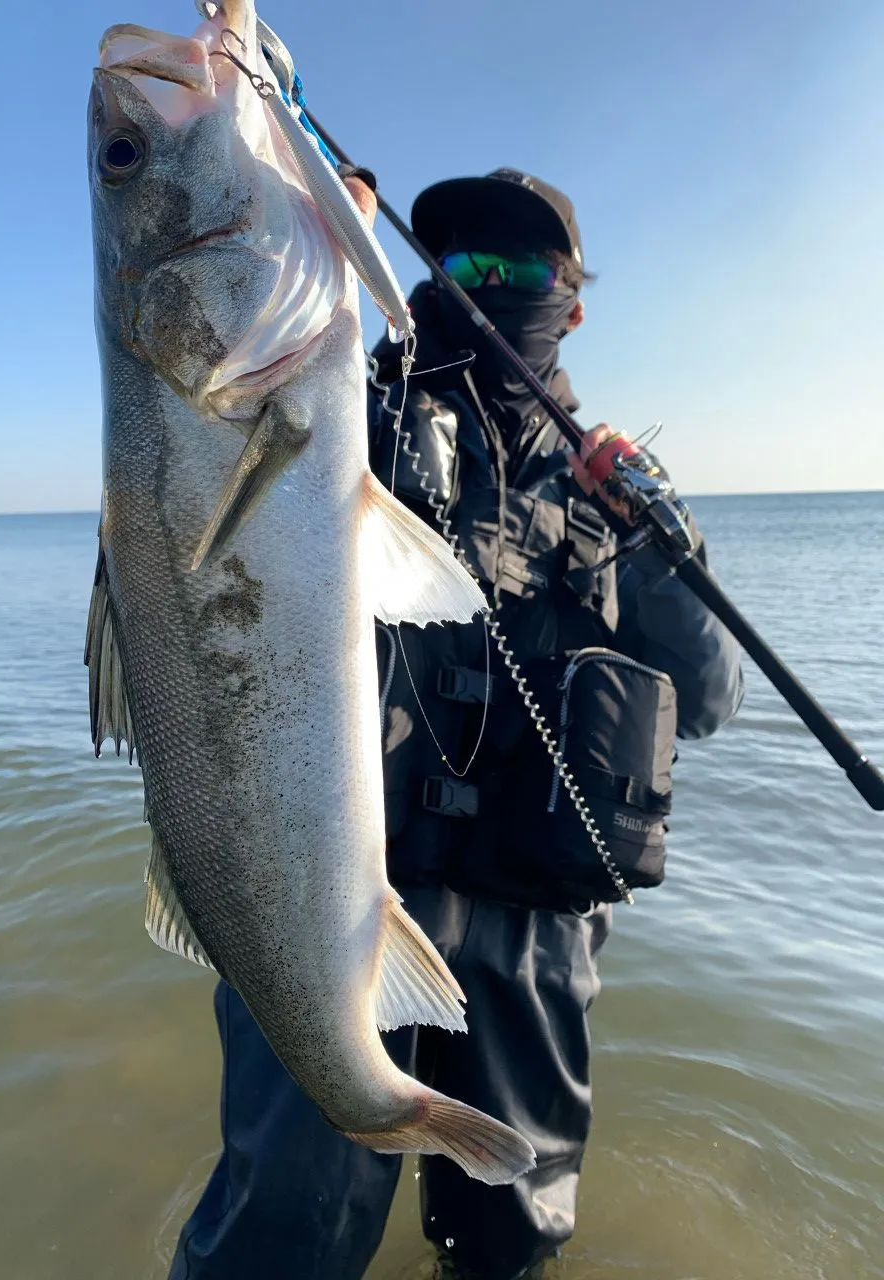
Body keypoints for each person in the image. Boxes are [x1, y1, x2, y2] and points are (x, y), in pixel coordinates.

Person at [168, 168, 744, 1280]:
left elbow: (711, 694)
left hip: (540, 931)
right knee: (281, 1232)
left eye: (521, 268)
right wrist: (305, 226)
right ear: (425, 279)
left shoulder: (612, 494)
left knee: (513, 1243)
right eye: (463, 263)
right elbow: (208, 433)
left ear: (572, 301)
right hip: (336, 896)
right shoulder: (341, 402)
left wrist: (659, 527)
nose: (487, 284)